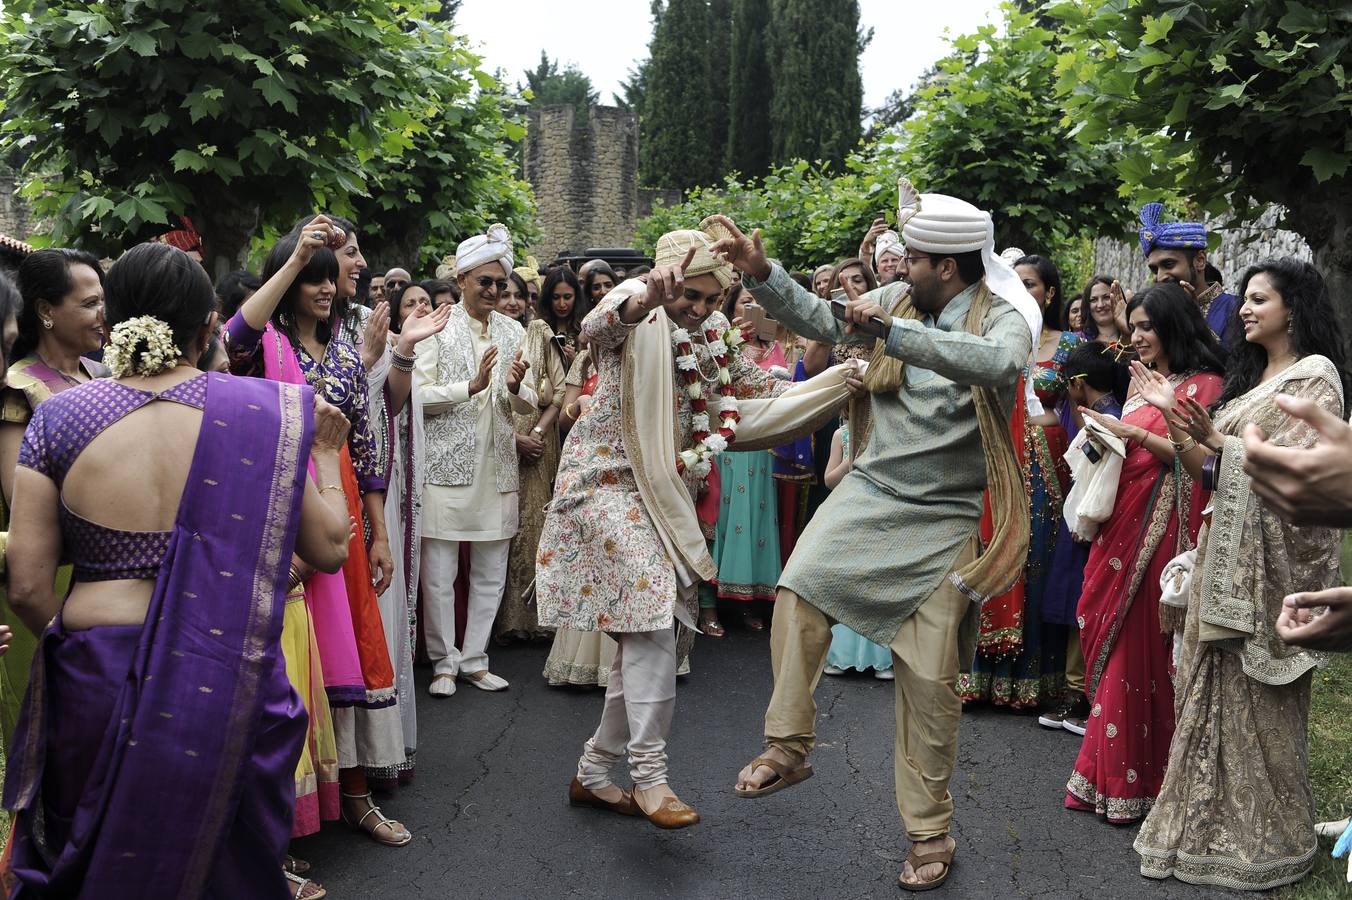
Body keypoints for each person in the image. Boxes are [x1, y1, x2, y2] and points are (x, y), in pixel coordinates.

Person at [715, 179, 1040, 890]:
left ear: (946, 267)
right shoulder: (895, 300)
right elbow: (826, 318)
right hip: (869, 491)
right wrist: (760, 273)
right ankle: (788, 745)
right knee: (798, 592)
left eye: (911, 260)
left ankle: (929, 833)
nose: (898, 269)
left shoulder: (1003, 316)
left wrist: (893, 332)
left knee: (929, 682)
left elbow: (998, 366)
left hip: (946, 516)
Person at [4, 241, 353, 897]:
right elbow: (330, 548)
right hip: (227, 674)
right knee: (224, 872)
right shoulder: (264, 411)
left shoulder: (57, 417)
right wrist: (329, 459)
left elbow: (25, 585)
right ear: (204, 330)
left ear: (116, 325)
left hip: (94, 674)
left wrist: (92, 645)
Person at [536, 222, 857, 829]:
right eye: (693, 296)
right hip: (604, 484)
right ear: (668, 278)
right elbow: (597, 329)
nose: (702, 309)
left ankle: (595, 771)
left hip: (667, 491)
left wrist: (839, 378)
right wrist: (649, 300)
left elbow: (755, 389)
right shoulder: (633, 301)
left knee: (644, 634)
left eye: (713, 299)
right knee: (654, 621)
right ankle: (650, 778)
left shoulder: (711, 332)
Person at [1131, 258, 1350, 890]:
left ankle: (1266, 841)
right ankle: (1198, 829)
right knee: (1205, 687)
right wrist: (1175, 410)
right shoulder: (1251, 377)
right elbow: (1206, 464)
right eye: (1246, 298)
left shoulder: (1315, 378)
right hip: (1222, 557)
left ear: (1293, 307)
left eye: (1260, 299)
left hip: (1270, 571)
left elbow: (1304, 475)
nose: (1245, 308)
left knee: (1261, 704)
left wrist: (1221, 446)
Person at [229, 220, 411, 849]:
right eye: (312, 277)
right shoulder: (262, 350)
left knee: (351, 658)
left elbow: (366, 444)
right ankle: (286, 820)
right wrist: (297, 255)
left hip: (347, 519)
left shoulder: (341, 354)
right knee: (296, 665)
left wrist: (380, 533)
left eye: (330, 276)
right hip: (283, 514)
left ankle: (355, 797)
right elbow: (234, 334)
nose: (326, 287)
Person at [1063, 282, 1224, 824]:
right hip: (1123, 526)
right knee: (1110, 638)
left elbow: (1199, 464)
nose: (1137, 337)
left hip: (1163, 531)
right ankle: (1105, 776)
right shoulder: (1144, 381)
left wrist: (1133, 428)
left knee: (1142, 648)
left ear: (1175, 326)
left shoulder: (1207, 384)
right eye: (1134, 328)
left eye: (1147, 327)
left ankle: (1144, 780)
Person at [415, 224, 536, 697]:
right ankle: (443, 662)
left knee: (491, 568)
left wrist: (512, 388)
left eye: (499, 283)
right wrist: (468, 387)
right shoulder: (437, 327)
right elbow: (417, 395)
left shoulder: (513, 330)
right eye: (483, 281)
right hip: (446, 464)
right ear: (461, 278)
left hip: (498, 464)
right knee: (440, 571)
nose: (492, 290)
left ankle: (475, 659)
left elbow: (528, 399)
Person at [0, 249, 109, 748]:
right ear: (46, 311)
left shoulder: (104, 377)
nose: (102, 315)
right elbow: (19, 499)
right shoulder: (19, 389)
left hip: (105, 572)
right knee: (49, 729)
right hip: (48, 575)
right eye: (89, 304)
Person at [961, 254, 1079, 708]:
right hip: (994, 453)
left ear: (1049, 293)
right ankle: (980, 674)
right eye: (1015, 284)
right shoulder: (992, 337)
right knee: (988, 546)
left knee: (1037, 556)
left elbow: (1086, 405)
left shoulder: (1067, 346)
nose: (1022, 292)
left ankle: (1033, 678)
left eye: (1031, 284)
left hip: (1044, 465)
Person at [363, 282, 452, 789]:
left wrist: (401, 351)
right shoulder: (361, 333)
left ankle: (382, 745)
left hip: (387, 486)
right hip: (352, 486)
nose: (421, 309)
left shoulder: (379, 335)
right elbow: (361, 402)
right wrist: (394, 351)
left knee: (389, 606)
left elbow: (390, 404)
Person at [1037, 341, 1122, 734]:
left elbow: (1094, 476)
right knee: (1077, 604)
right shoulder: (1103, 413)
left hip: (1089, 523)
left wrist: (1084, 521)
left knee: (1084, 606)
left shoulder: (1105, 419)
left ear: (1078, 383)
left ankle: (1083, 692)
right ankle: (1077, 688)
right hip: (1085, 521)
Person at [706, 283, 787, 635]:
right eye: (746, 302)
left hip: (762, 449)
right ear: (730, 307)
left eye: (760, 304)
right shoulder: (720, 339)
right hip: (728, 442)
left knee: (755, 521)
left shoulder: (775, 347)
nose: (754, 308)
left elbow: (779, 392)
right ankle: (709, 605)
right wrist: (734, 339)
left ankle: (749, 599)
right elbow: (715, 382)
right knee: (722, 518)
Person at [496, 270, 568, 642]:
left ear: (528, 301)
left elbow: (558, 393)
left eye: (517, 296)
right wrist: (514, 440)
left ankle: (540, 619)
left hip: (539, 450)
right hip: (497, 447)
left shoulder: (539, 333)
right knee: (500, 533)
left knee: (537, 529)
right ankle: (502, 621)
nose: (510, 301)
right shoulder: (488, 336)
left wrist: (536, 434)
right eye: (503, 293)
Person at [820, 413, 895, 680]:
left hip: (880, 513)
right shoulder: (841, 435)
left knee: (878, 582)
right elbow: (829, 479)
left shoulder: (890, 431)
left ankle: (881, 657)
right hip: (847, 513)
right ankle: (843, 655)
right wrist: (851, 462)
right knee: (847, 581)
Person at [1139, 202, 1240, 346]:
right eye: (1154, 270)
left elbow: (1236, 364)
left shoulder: (1236, 309)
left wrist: (1194, 320)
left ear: (1200, 261)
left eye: (1168, 264)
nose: (1160, 277)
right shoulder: (1156, 315)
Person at [540, 266, 587, 367]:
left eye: (567, 297)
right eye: (556, 297)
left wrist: (575, 362)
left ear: (576, 296)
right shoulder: (540, 328)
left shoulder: (585, 328)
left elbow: (592, 373)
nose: (562, 304)